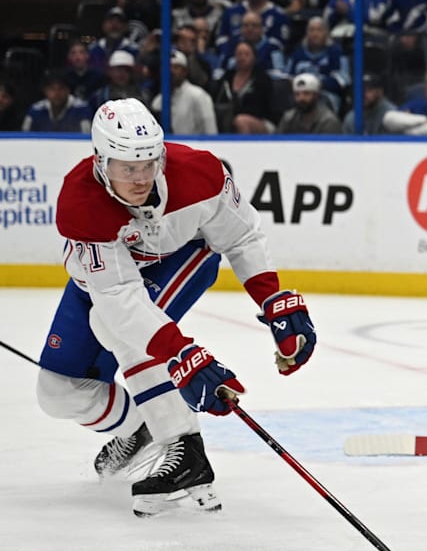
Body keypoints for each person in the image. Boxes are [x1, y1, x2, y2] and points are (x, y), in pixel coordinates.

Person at [35, 98, 316, 517]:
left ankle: (186, 451)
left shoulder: (199, 173)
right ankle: (142, 425)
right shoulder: (82, 202)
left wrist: (271, 297)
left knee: (118, 331)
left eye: (149, 163)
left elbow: (241, 236)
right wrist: (180, 355)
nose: (141, 177)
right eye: (127, 167)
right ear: (100, 161)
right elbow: (119, 297)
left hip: (184, 257)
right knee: (57, 392)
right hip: (105, 284)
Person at [277, 73, 343, 134]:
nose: (301, 98)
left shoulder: (328, 121)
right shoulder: (289, 118)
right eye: (297, 94)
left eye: (306, 93)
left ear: (316, 95)